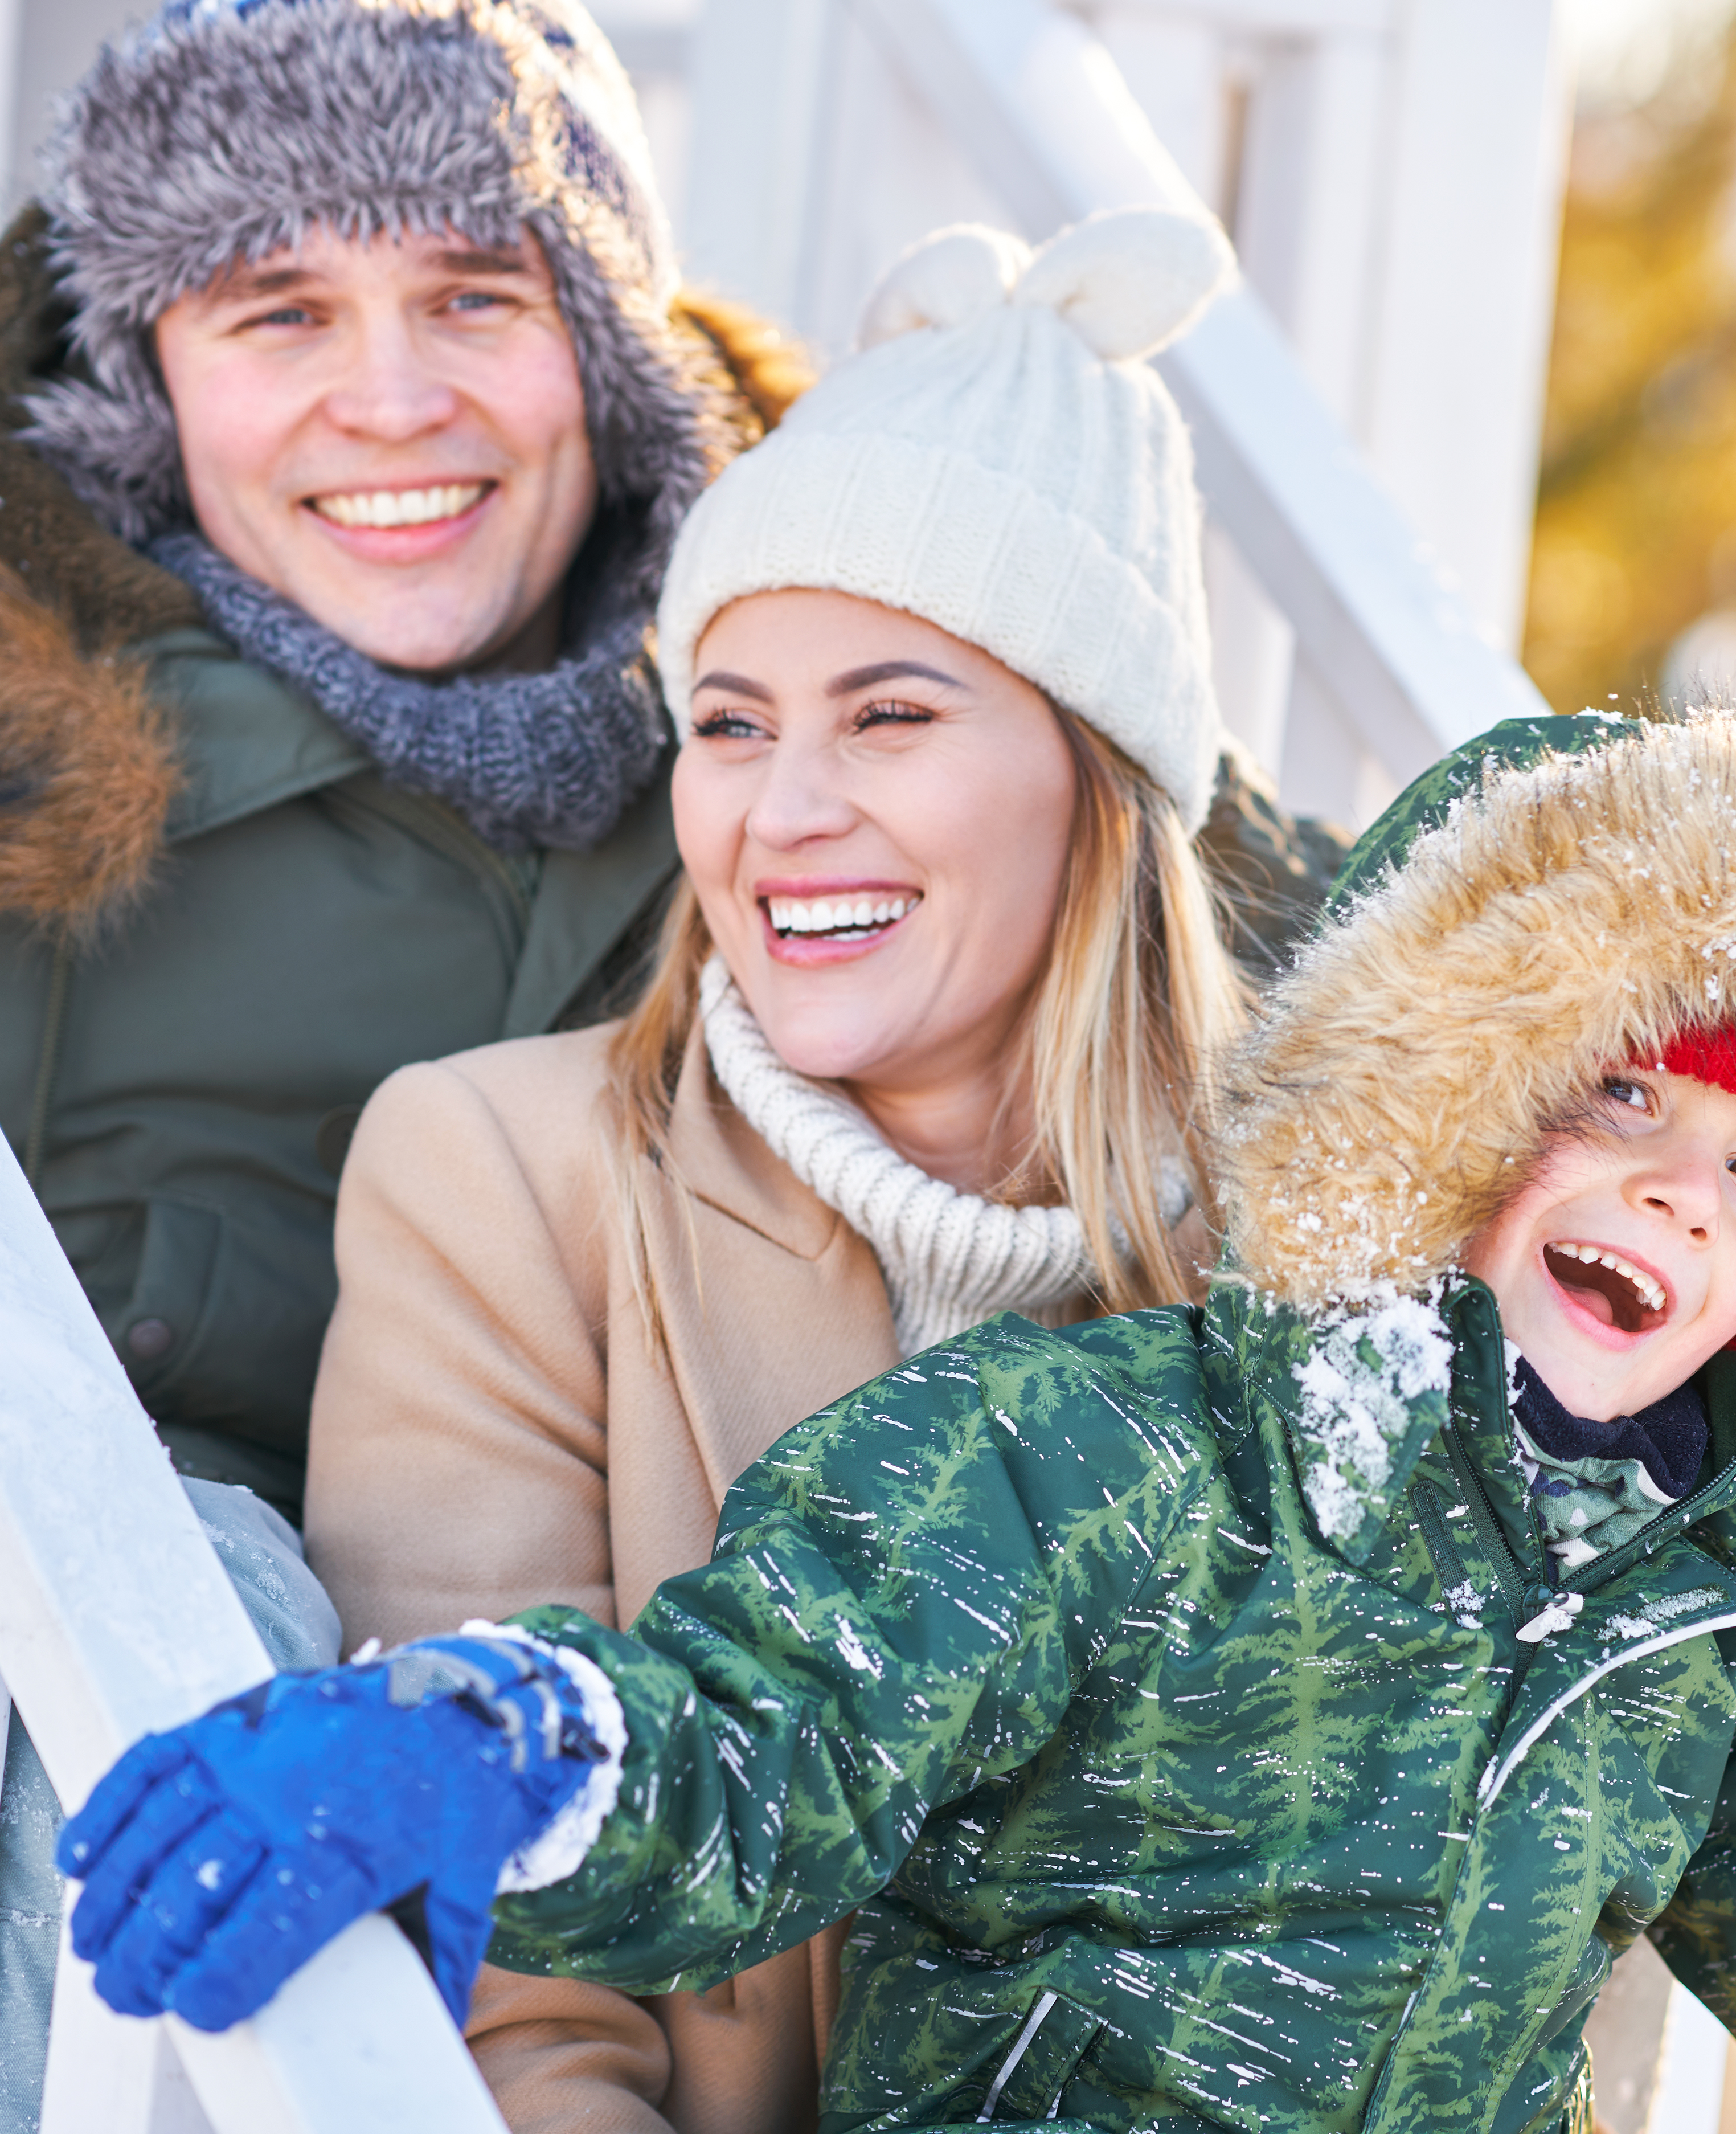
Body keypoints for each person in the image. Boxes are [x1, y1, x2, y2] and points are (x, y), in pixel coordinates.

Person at [54, 704, 1736, 2134]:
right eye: (1616, 1098)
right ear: (1451, 1106)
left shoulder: (1708, 1649)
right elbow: (779, 1739)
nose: (1675, 1190)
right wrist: (509, 1751)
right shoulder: (1111, 1462)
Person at [0, 0, 796, 2111]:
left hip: (613, 1725)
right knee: (193, 1613)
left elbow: (1247, 960)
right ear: (145, 387)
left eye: (475, 294)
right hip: (0, 1729)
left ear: (607, 340)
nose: (389, 401)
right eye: (275, 309)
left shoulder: (801, 711)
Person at [300, 206, 1249, 2133]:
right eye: (730, 725)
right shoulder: (500, 1173)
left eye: (891, 716)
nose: (785, 811)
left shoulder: (1321, 1265)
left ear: (1097, 776)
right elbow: (509, 1970)